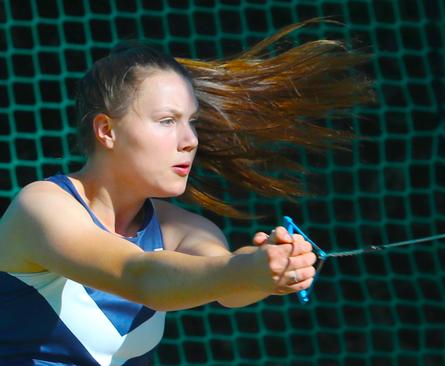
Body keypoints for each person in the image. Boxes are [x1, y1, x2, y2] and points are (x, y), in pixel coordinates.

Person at [0, 20, 373, 365]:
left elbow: (227, 283)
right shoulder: (42, 207)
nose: (190, 140)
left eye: (191, 122)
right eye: (167, 121)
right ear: (106, 131)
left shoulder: (182, 229)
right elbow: (140, 276)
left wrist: (266, 269)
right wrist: (245, 269)